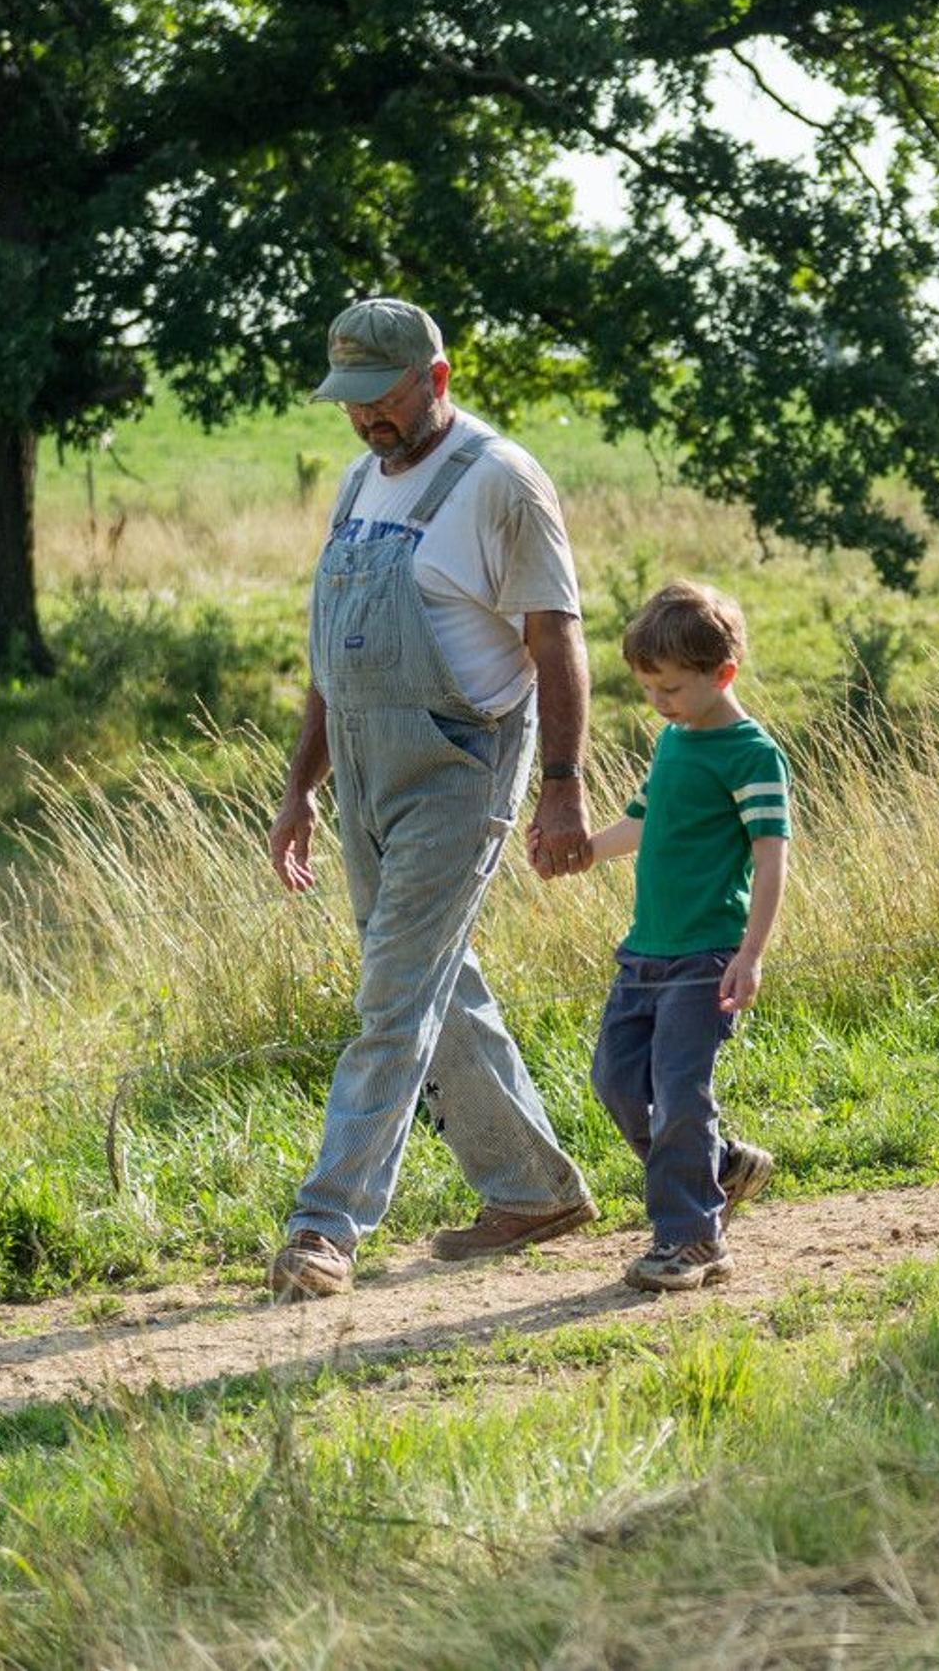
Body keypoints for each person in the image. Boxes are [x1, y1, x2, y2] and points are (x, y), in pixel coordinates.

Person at [260, 297, 601, 1302]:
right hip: (364, 765)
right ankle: (533, 1190)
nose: (366, 418)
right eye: (350, 401)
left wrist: (563, 788)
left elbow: (556, 642)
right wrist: (299, 791)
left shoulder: (501, 483)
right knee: (430, 981)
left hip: (461, 765)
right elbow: (333, 651)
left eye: (382, 396)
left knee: (393, 994)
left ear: (436, 379)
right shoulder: (360, 482)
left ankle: (325, 1228)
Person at [575, 578, 788, 1291]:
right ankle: (717, 1167)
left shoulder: (752, 756)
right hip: (644, 953)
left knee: (680, 1093)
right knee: (614, 1080)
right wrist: (580, 852)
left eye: (670, 688)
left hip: (704, 957)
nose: (659, 703)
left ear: (721, 674)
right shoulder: (674, 741)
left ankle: (693, 1239)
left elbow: (769, 859)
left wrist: (750, 955)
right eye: (648, 688)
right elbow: (642, 822)